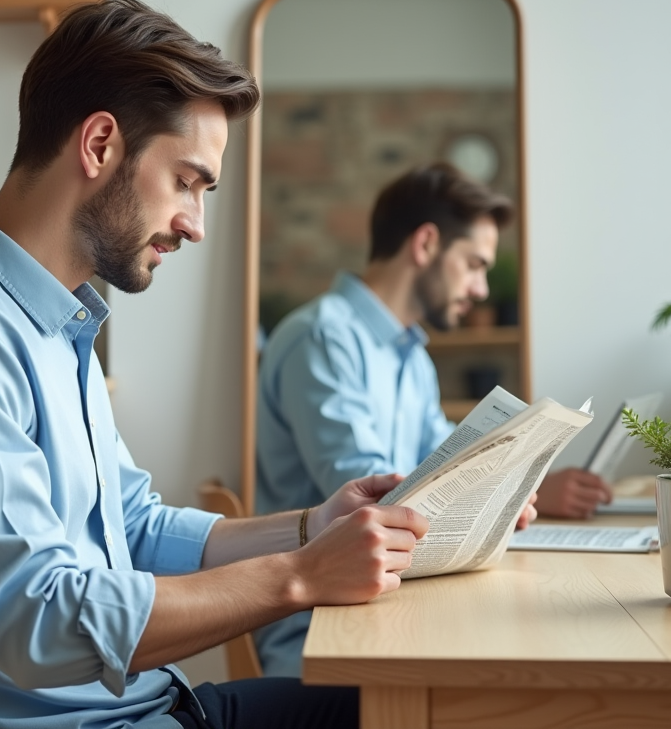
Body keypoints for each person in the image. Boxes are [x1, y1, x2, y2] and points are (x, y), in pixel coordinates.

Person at [0, 0, 483, 729]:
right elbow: (38, 619)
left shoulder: (48, 326)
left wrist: (310, 528)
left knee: (430, 707)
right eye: (188, 182)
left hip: (152, 707)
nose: (196, 226)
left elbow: (131, 529)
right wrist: (297, 578)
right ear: (101, 144)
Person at [253, 162, 611, 677]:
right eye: (474, 264)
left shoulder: (413, 358)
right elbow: (369, 496)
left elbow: (447, 460)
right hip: (317, 623)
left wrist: (511, 487)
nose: (483, 288)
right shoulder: (322, 338)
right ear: (425, 245)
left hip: (392, 596)